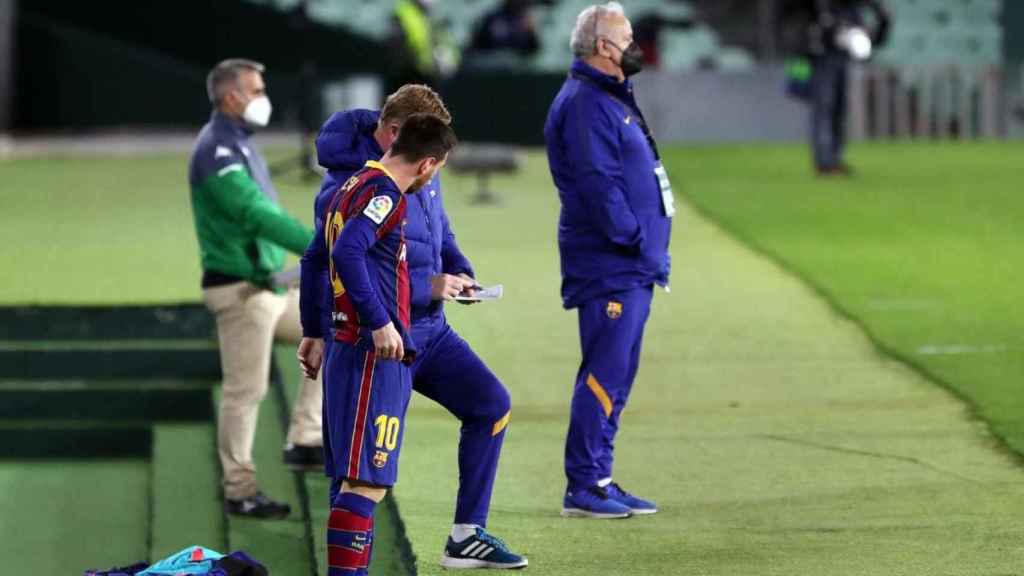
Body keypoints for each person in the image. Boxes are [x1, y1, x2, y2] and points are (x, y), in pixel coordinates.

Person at [305, 84, 527, 569]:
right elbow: (333, 261)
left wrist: (460, 272)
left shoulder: (420, 166)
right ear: (398, 134)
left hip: (429, 332)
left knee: (491, 405)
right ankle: (347, 563)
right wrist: (318, 329)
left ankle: (467, 535)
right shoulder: (355, 184)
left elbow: (439, 228)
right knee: (359, 472)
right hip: (380, 338)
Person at [296, 114, 459, 576]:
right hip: (371, 353)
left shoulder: (350, 184)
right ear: (428, 163)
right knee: (367, 483)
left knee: (353, 476)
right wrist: (381, 322)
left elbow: (315, 256)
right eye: (439, 168)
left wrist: (314, 328)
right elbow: (346, 252)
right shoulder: (386, 195)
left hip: (345, 344)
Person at [544, 2, 672, 519]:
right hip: (611, 263)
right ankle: (583, 485)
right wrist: (638, 238)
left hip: (630, 264)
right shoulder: (585, 104)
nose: (635, 46)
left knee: (617, 374)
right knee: (603, 373)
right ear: (603, 46)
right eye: (627, 37)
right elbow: (599, 187)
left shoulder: (605, 97)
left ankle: (599, 476)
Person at [187, 58, 324, 519]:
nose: (264, 97)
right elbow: (257, 215)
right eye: (257, 89)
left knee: (334, 327)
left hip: (270, 286)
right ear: (231, 97)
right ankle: (239, 490)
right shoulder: (217, 151)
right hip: (242, 291)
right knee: (245, 392)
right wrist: (321, 245)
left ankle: (306, 439)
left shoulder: (239, 144)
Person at [803, 0, 890, 175]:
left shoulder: (851, 9)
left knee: (838, 109)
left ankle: (834, 158)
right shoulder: (824, 7)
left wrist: (880, 19)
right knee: (825, 107)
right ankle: (825, 161)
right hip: (822, 57)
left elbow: (871, 34)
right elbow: (817, 25)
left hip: (841, 57)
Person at [468, 0, 540, 58]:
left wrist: (531, 32)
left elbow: (533, 51)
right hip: (492, 65)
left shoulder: (526, 21)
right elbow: (476, 47)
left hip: (518, 68)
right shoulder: (492, 18)